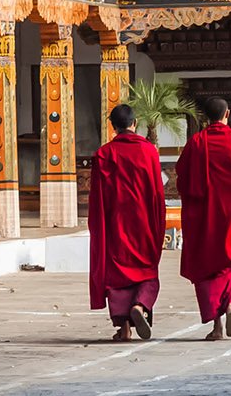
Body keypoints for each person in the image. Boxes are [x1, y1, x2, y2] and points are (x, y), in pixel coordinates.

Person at [177, 97, 231, 341]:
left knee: (208, 267)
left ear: (205, 117)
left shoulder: (196, 142)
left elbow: (182, 178)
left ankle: (216, 326)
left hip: (204, 217)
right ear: (228, 114)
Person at [87, 104, 167, 342]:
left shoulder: (103, 154)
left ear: (113, 127)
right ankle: (140, 306)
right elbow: (156, 193)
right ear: (135, 123)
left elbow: (97, 199)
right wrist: (159, 224)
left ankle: (124, 329)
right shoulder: (149, 151)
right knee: (146, 270)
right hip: (143, 223)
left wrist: (99, 228)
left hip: (116, 224)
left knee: (118, 276)